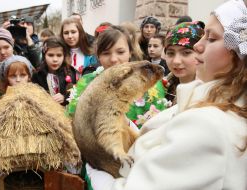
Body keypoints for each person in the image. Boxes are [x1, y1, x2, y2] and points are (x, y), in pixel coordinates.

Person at [85, 0, 247, 189]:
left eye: (211, 39)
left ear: (238, 54)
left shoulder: (208, 125)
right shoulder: (207, 102)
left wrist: (99, 178)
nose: (198, 47)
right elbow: (165, 143)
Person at [164, 21, 204, 104]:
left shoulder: (209, 93)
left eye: (186, 53)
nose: (176, 61)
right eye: (171, 53)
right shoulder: (162, 89)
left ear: (201, 53)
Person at [32, 37, 76, 106]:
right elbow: (34, 96)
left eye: (59, 55)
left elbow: (75, 94)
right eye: (50, 55)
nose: (55, 59)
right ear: (44, 56)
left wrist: (64, 98)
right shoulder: (38, 75)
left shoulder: (70, 72)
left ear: (64, 56)